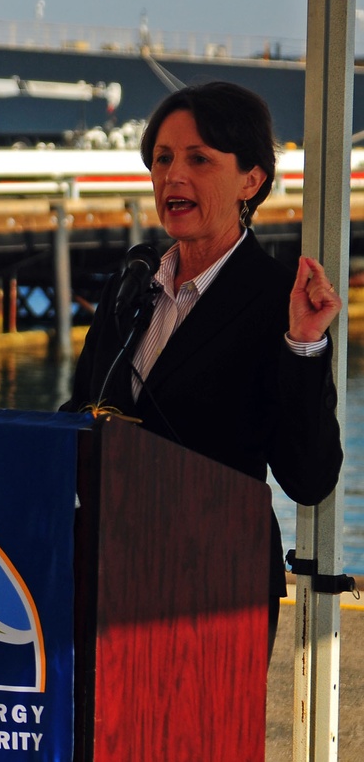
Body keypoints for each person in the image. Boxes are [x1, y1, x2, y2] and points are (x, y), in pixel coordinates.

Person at [60, 81, 344, 660]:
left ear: (251, 180)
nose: (173, 177)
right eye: (162, 159)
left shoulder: (277, 299)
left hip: (216, 583)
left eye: (198, 160)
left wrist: (305, 346)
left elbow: (309, 478)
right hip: (106, 568)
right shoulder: (133, 282)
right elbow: (79, 410)